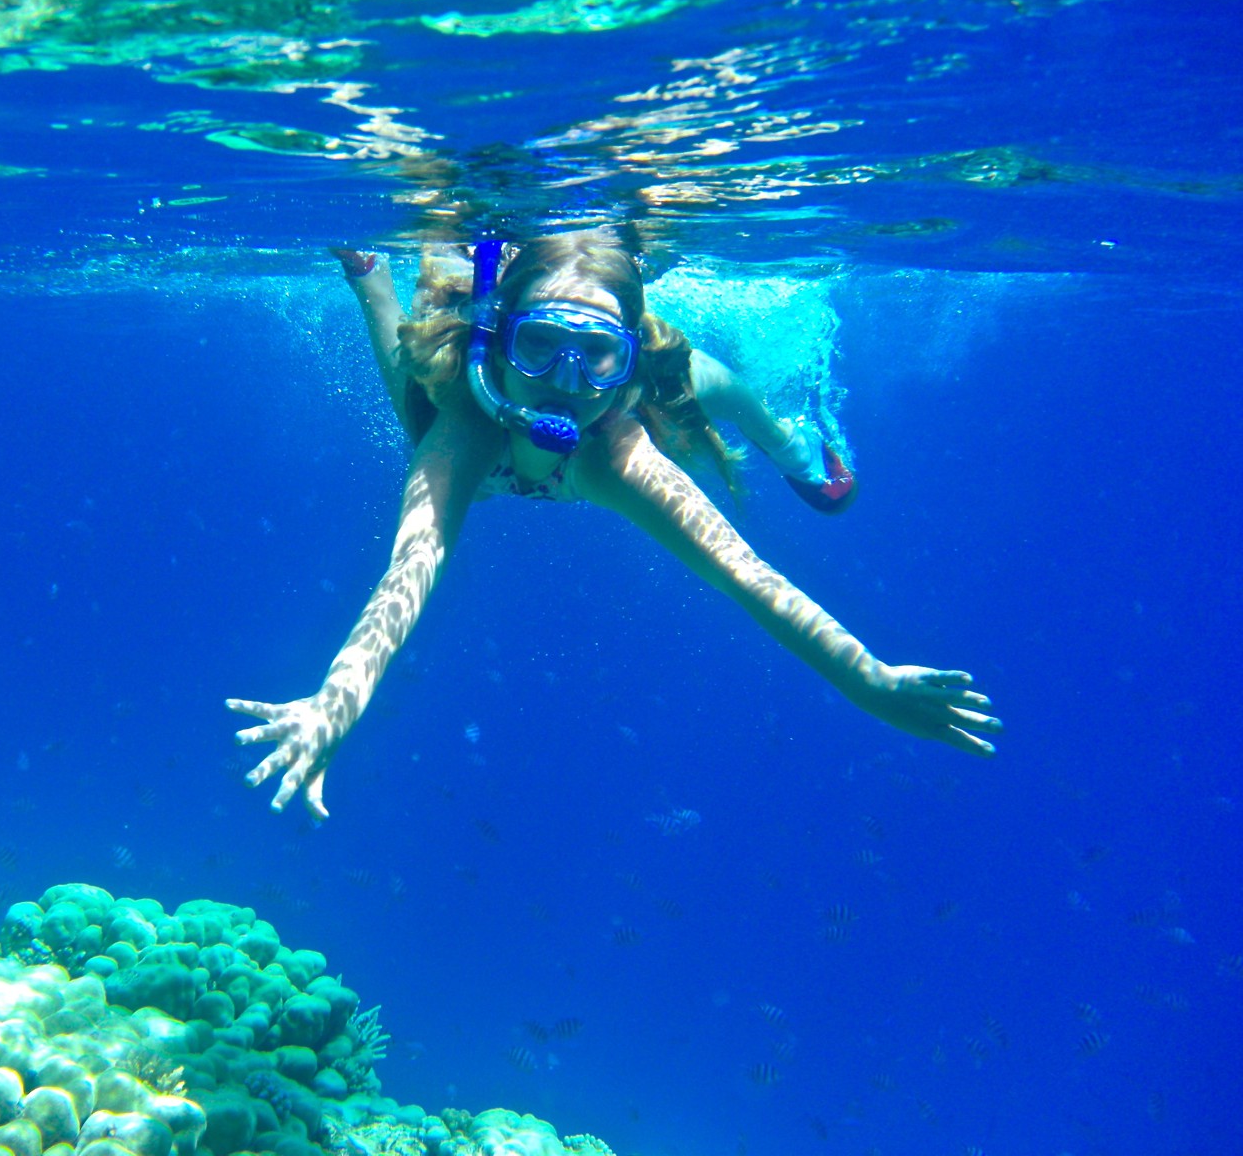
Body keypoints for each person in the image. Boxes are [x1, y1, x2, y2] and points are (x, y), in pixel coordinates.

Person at [226, 234, 1000, 819]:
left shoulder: (618, 453)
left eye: (596, 355)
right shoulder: (459, 434)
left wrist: (867, 677)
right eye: (540, 346)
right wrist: (333, 706)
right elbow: (408, 573)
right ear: (501, 343)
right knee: (410, 372)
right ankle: (369, 279)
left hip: (639, 400)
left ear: (623, 368)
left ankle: (793, 443)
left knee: (715, 397)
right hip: (463, 387)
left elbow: (748, 576)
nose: (565, 384)